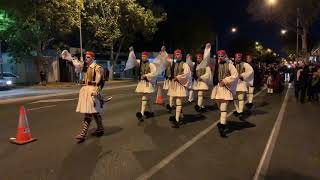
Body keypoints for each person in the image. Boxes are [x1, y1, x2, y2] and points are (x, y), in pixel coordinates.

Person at [61, 50, 105, 143]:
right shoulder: (84, 66)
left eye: (88, 57)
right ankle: (100, 128)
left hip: (92, 91)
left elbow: (101, 81)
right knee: (94, 112)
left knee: (89, 113)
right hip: (85, 90)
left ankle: (83, 133)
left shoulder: (98, 68)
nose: (86, 58)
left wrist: (97, 92)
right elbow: (75, 65)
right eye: (86, 57)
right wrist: (69, 58)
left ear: (93, 58)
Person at [211, 50, 238, 137]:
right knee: (220, 108)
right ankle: (222, 122)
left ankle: (222, 126)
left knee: (223, 108)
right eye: (219, 56)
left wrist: (225, 81)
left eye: (221, 56)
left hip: (225, 89)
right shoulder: (216, 65)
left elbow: (235, 75)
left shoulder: (230, 65)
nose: (220, 57)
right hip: (217, 89)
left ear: (225, 56)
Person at [167, 49, 192, 128]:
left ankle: (177, 120)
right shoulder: (174, 64)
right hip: (174, 85)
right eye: (176, 55)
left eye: (178, 54)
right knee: (175, 101)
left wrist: (178, 77)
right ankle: (180, 114)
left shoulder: (184, 64)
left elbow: (187, 74)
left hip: (180, 85)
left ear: (181, 55)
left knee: (178, 101)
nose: (177, 56)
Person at [135, 51, 158, 122]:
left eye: (144, 56)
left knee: (144, 97)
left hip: (148, 83)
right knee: (149, 99)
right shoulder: (140, 63)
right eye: (142, 56)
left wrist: (146, 75)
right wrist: (132, 52)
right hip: (142, 83)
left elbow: (154, 73)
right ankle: (152, 112)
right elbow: (133, 60)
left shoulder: (151, 64)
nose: (143, 57)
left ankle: (141, 114)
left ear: (147, 57)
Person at [233, 53, 254, 120]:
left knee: (241, 98)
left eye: (239, 57)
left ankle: (241, 112)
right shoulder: (232, 65)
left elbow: (251, 71)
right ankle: (238, 110)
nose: (238, 58)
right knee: (235, 98)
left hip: (241, 83)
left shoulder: (245, 64)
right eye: (236, 57)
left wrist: (242, 75)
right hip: (234, 84)